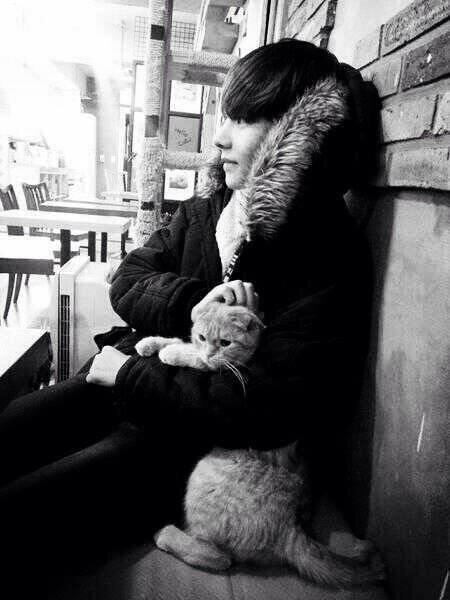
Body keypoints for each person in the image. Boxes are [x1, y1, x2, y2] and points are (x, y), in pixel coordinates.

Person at [0, 39, 378, 583]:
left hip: (191, 444)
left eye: (243, 120)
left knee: (24, 510)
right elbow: (128, 278)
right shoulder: (208, 210)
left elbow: (269, 405)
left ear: (296, 136)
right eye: (226, 117)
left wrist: (129, 375)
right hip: (126, 381)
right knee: (13, 426)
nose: (220, 137)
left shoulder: (329, 252)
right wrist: (190, 305)